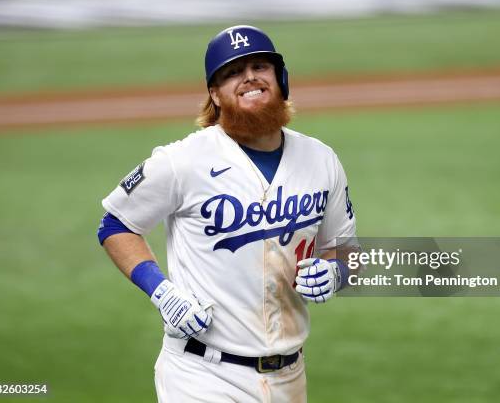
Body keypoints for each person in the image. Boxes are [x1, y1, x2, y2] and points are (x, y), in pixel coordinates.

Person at [97, 24, 357, 402]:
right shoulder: (183, 160)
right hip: (202, 376)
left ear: (281, 79)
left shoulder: (320, 159)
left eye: (259, 66)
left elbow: (347, 250)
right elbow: (116, 223)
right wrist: (162, 292)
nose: (249, 77)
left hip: (289, 378)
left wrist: (336, 272)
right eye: (232, 72)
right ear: (214, 95)